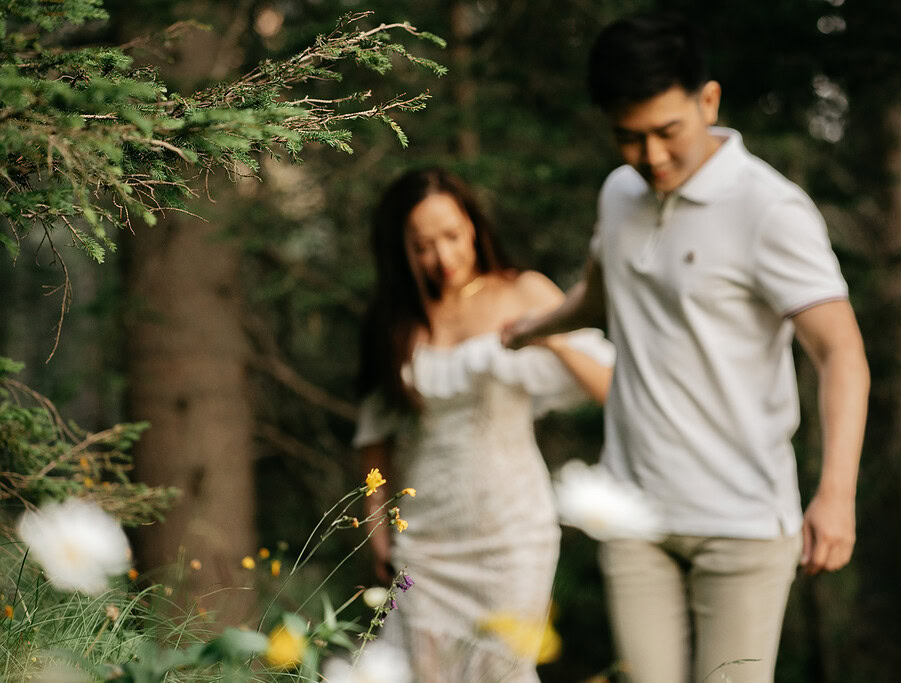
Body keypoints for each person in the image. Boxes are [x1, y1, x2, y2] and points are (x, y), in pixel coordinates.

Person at [503, 13, 870, 683]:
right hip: (633, 513)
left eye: (666, 132)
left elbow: (840, 351)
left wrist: (836, 494)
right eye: (628, 138)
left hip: (743, 521)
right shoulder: (618, 193)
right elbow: (600, 294)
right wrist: (527, 329)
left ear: (708, 100)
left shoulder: (768, 208)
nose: (651, 158)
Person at [352, 168, 614, 682]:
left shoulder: (523, 291)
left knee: (503, 671)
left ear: (473, 224)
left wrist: (549, 335)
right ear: (401, 249)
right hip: (424, 541)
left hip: (512, 535)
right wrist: (377, 531)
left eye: (451, 236)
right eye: (423, 246)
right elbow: (374, 444)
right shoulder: (394, 321)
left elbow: (609, 385)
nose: (443, 258)